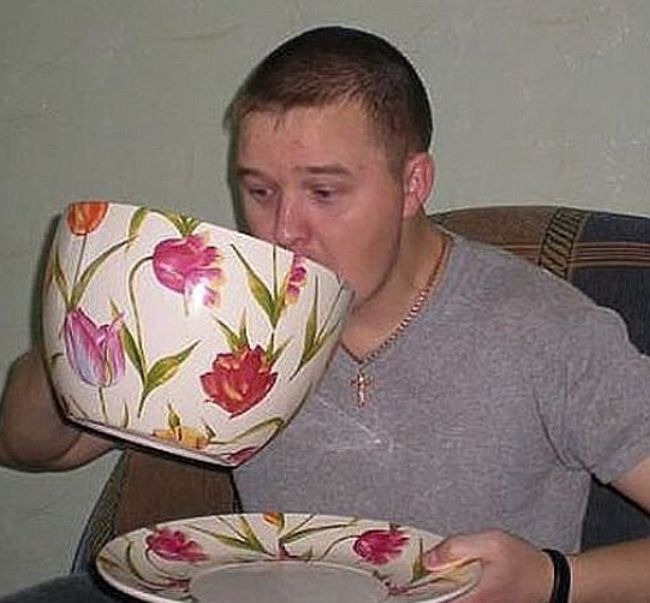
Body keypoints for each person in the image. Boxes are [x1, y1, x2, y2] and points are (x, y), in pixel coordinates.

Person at [1, 25, 650, 603]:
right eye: (259, 190)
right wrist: (81, 327)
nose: (284, 230)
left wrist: (555, 581)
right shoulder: (236, 309)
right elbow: (33, 445)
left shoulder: (542, 329)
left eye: (324, 191)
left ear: (412, 184)